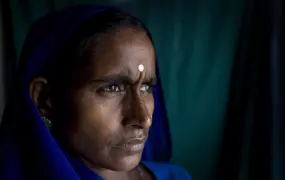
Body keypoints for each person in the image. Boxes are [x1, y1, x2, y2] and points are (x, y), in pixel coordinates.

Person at [0, 5, 191, 180]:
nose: (144, 119)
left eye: (146, 87)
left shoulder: (176, 176)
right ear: (45, 99)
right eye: (113, 87)